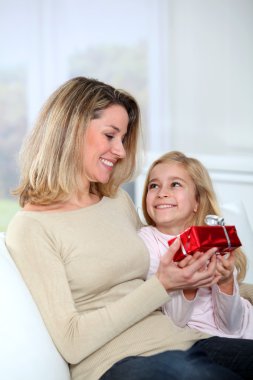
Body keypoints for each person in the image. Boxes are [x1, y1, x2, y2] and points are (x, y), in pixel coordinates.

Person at [4, 76, 253, 380]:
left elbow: (160, 273)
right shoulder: (32, 227)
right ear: (70, 131)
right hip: (118, 361)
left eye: (123, 138)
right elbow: (71, 340)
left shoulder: (117, 201)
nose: (120, 151)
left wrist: (229, 283)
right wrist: (163, 286)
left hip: (187, 339)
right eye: (110, 135)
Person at [138, 150, 253, 340]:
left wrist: (225, 283)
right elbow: (175, 322)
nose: (162, 193)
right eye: (154, 185)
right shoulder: (147, 243)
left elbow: (232, 326)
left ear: (197, 202)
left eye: (175, 184)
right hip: (203, 340)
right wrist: (188, 284)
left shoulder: (212, 238)